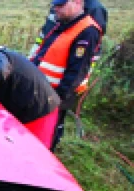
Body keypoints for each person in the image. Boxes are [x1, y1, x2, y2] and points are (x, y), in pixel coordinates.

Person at [30, 0, 102, 149]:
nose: (56, 9)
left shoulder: (87, 31)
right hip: (41, 91)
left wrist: (56, 99)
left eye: (61, 5)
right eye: (55, 5)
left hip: (55, 96)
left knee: (48, 135)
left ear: (77, 2)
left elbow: (76, 73)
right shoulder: (63, 23)